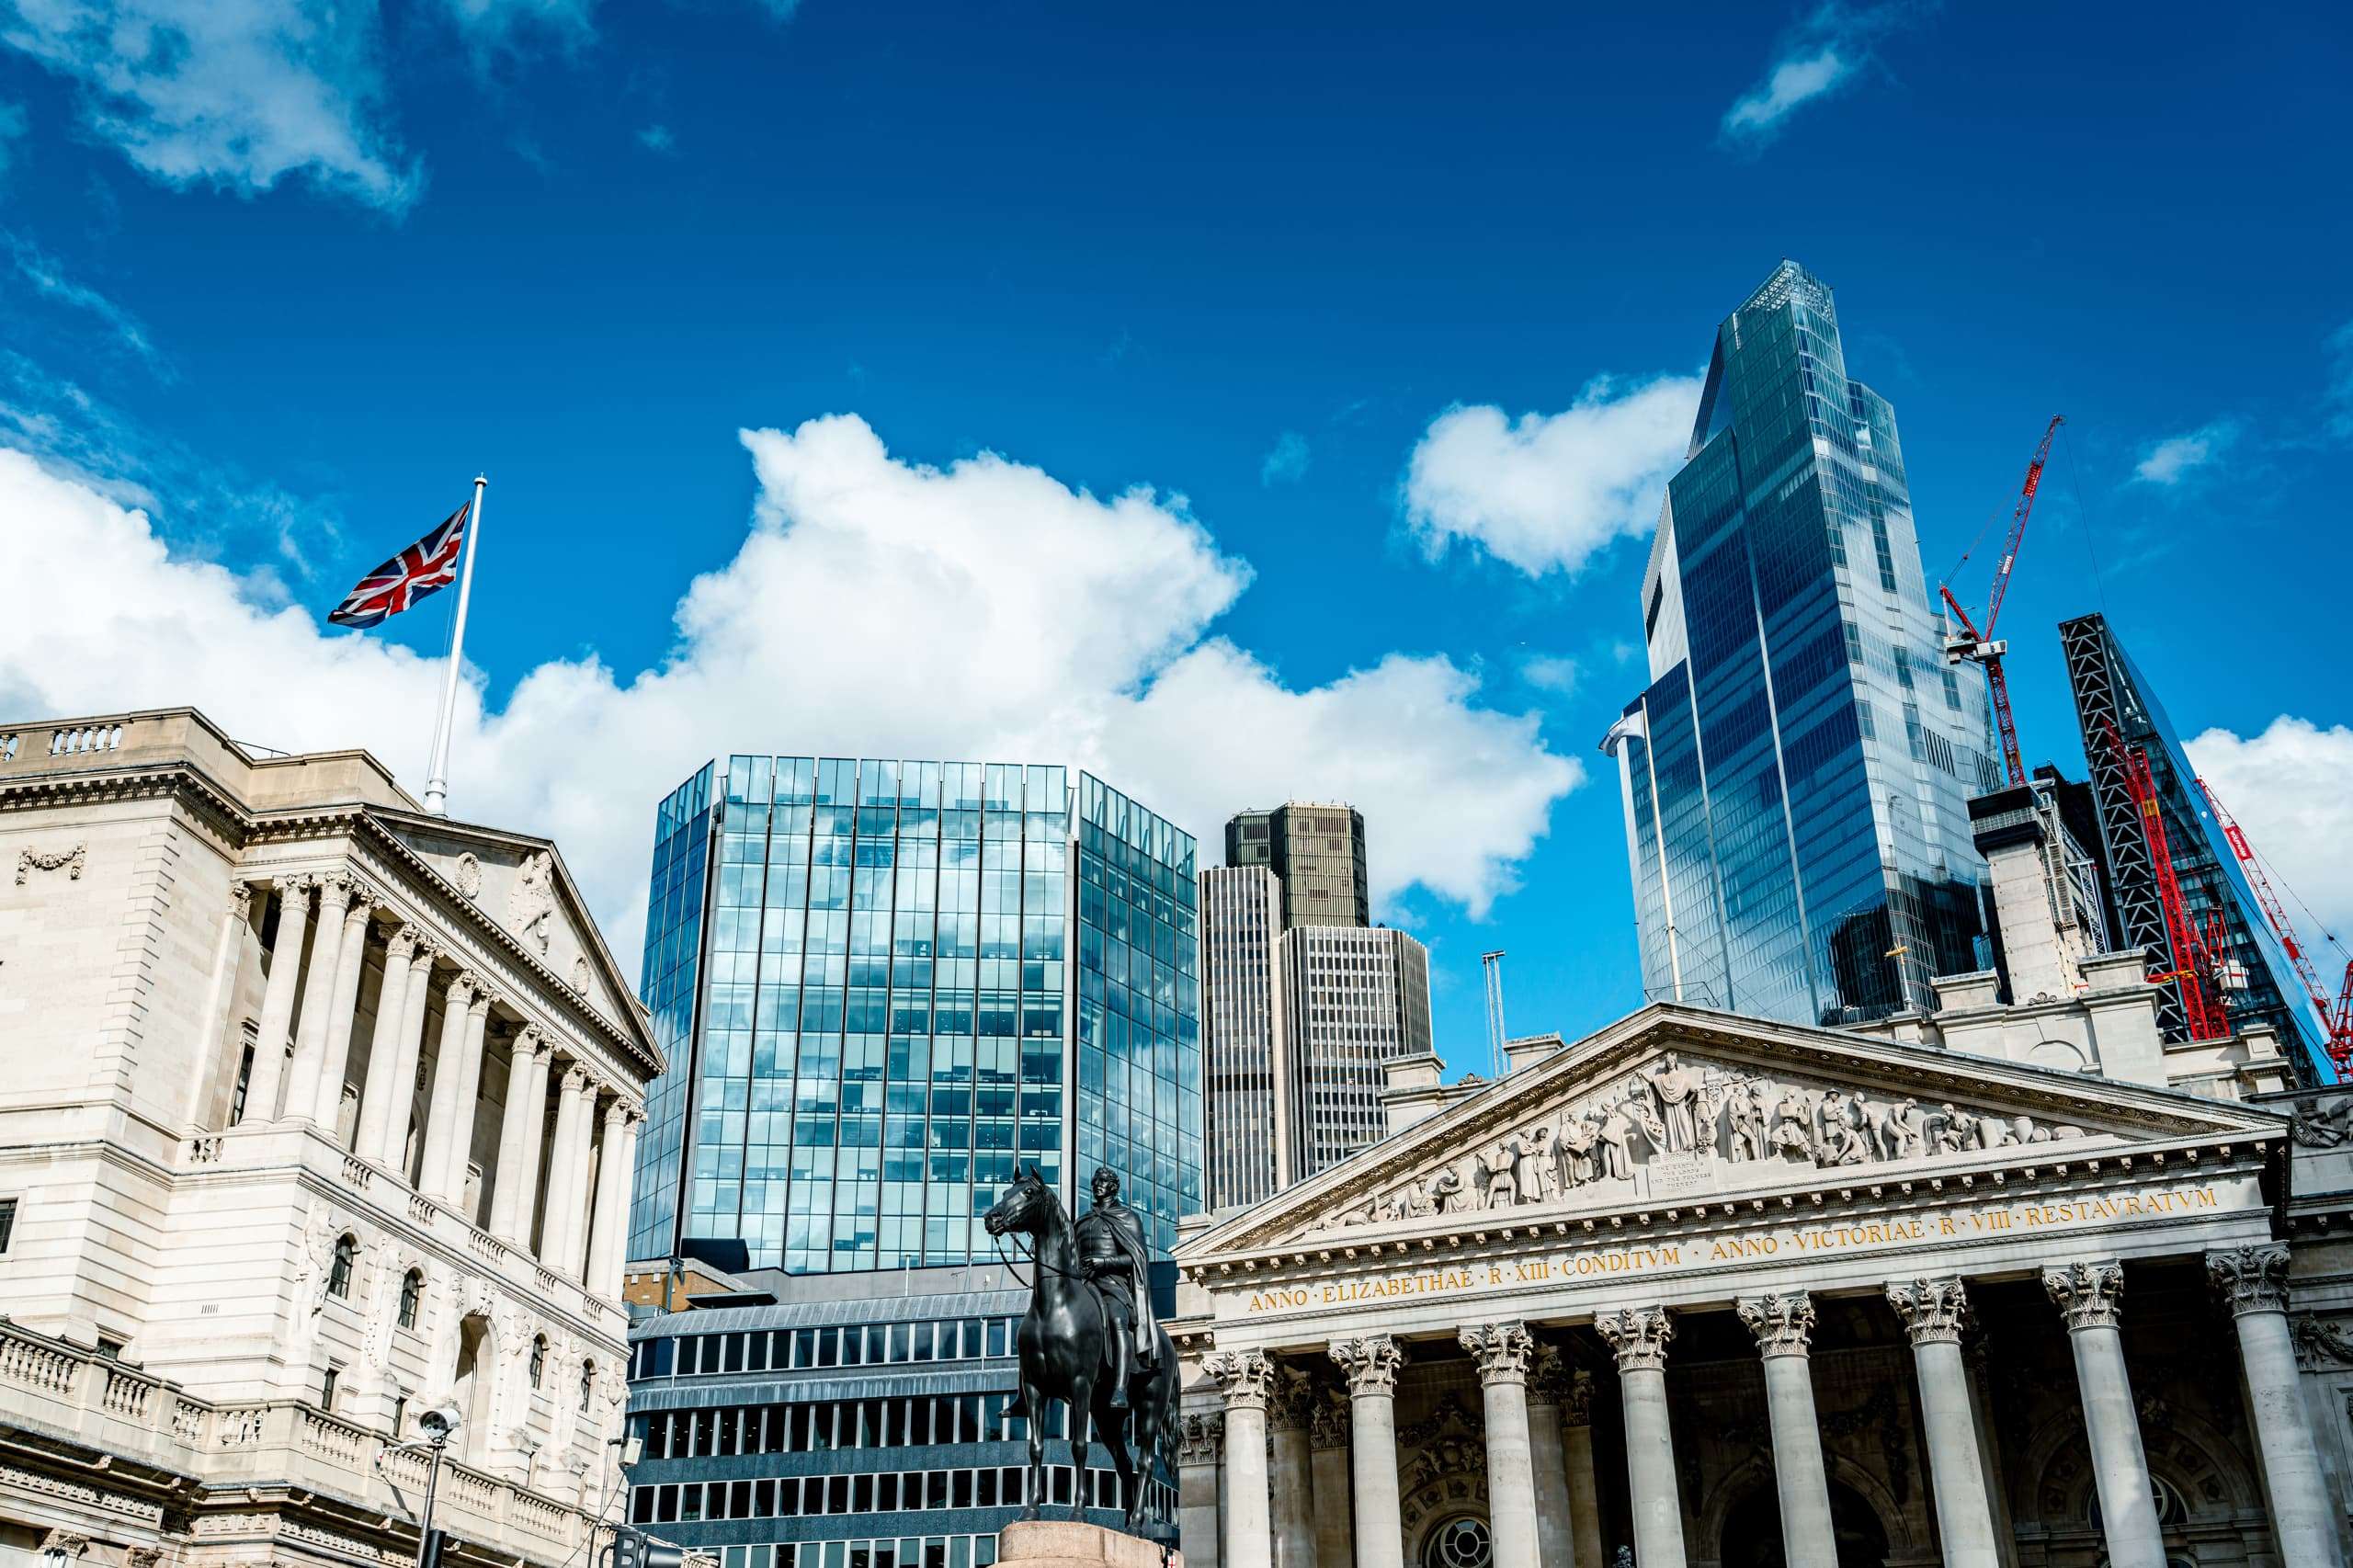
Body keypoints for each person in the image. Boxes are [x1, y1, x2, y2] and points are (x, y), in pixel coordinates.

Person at [1074, 1165, 1157, 1409]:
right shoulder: (1083, 1222)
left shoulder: (1126, 1218)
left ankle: (1120, 1387)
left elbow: (1137, 1258)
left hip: (1113, 1285)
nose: (1098, 1184)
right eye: (1095, 1180)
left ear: (1114, 1187)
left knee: (1117, 1320)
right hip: (1083, 1284)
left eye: (1104, 1181)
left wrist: (1104, 1262)